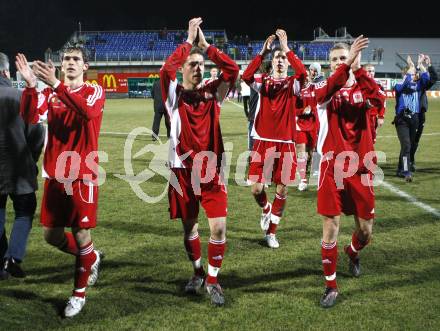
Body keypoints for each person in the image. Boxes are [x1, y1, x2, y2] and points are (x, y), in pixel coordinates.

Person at [16, 43, 105, 317]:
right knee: (51, 236)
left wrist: (56, 84)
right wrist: (31, 87)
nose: (70, 62)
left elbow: (86, 112)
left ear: (85, 66)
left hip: (82, 174)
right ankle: (92, 256)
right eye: (66, 58)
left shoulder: (94, 91)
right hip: (55, 175)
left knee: (80, 234)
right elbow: (29, 116)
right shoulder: (50, 92)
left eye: (76, 59)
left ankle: (78, 295)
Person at [160, 18, 239, 306]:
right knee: (189, 229)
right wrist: (187, 41)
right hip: (181, 173)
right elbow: (165, 70)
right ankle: (197, 272)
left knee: (218, 229)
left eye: (200, 64)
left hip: (211, 171)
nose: (197, 67)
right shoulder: (173, 96)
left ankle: (214, 281)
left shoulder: (214, 94)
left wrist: (206, 47)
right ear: (183, 68)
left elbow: (233, 70)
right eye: (192, 64)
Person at [313, 36, 385, 308]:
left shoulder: (367, 88)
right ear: (329, 65)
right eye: (334, 60)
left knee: (365, 232)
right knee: (330, 226)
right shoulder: (325, 88)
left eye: (344, 58)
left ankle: (352, 252)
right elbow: (321, 95)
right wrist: (347, 69)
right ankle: (330, 286)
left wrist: (358, 69)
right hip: (332, 167)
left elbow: (377, 101)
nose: (338, 63)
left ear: (354, 60)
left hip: (362, 166)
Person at [242, 29, 307, 249]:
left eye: (283, 59)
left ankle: (271, 232)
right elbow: (246, 76)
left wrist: (287, 49)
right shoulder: (263, 82)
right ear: (272, 63)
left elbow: (303, 75)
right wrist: (262, 53)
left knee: (282, 189)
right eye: (276, 58)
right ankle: (266, 209)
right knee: (256, 189)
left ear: (287, 63)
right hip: (263, 140)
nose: (280, 61)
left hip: (287, 143)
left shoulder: (292, 84)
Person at [0, 52, 44, 279]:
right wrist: (31, 159)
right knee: (24, 212)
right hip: (20, 166)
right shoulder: (20, 97)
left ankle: (2, 263)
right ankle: (13, 257)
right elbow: (37, 132)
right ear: (6, 72)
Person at [394, 55, 430, 181]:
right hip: (402, 120)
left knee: (406, 146)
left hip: (414, 119)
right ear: (406, 74)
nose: (416, 74)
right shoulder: (399, 84)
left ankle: (400, 169)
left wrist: (420, 65)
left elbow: (427, 77)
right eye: (413, 72)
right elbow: (405, 83)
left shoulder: (418, 85)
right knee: (407, 145)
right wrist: (410, 68)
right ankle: (405, 171)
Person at [296, 62, 325, 191]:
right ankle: (302, 180)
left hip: (314, 125)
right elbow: (292, 109)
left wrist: (312, 109)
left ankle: (308, 171)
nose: (310, 74)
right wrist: (302, 111)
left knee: (311, 152)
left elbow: (320, 104)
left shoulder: (315, 88)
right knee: (301, 151)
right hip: (300, 125)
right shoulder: (296, 91)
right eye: (310, 71)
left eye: (314, 71)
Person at [411, 54, 438, 170]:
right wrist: (418, 65)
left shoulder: (422, 85)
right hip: (410, 114)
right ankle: (406, 164)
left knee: (416, 139)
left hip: (421, 114)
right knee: (408, 141)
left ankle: (410, 160)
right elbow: (413, 77)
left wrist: (428, 65)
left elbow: (434, 78)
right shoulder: (409, 84)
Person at [247, 61, 271, 151]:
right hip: (257, 115)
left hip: (256, 115)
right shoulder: (259, 79)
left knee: (254, 142)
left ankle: (252, 159)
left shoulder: (256, 78)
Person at [363, 64, 386, 144]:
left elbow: (382, 101)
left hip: (372, 118)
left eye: (373, 71)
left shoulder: (378, 85)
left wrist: (381, 116)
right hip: (358, 118)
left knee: (371, 141)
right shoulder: (356, 83)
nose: (371, 73)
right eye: (369, 71)